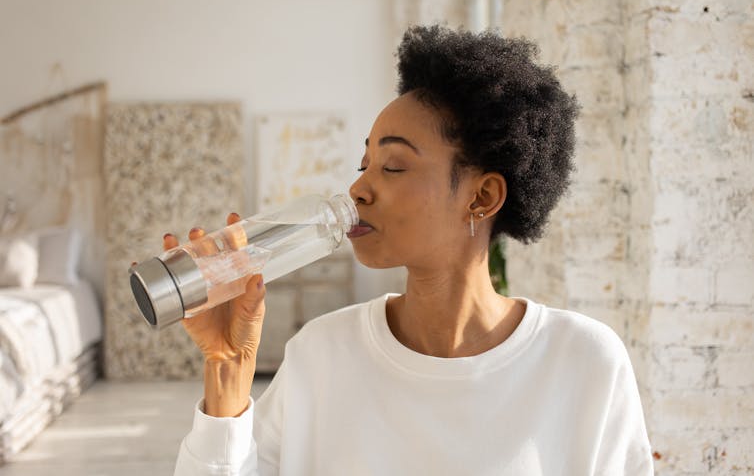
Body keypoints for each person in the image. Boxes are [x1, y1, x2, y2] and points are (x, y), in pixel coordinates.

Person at [171, 25, 653, 475]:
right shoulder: (321, 355)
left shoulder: (584, 363)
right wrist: (227, 373)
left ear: (481, 197)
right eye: (365, 164)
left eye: (394, 166)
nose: (357, 189)